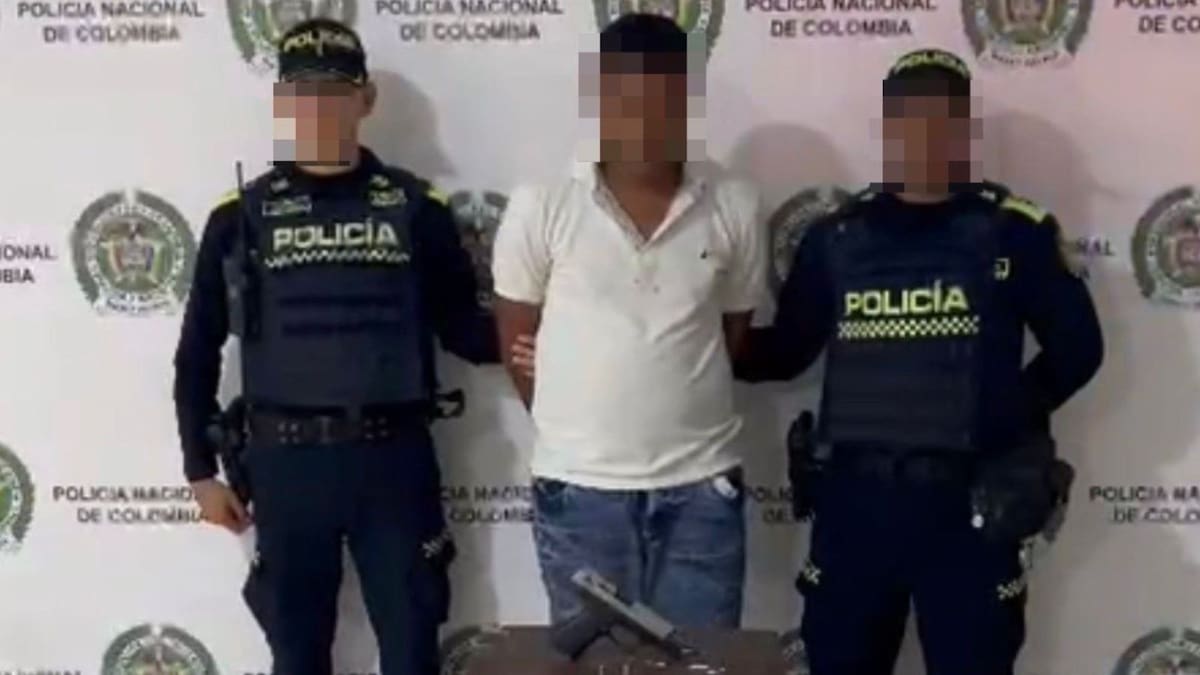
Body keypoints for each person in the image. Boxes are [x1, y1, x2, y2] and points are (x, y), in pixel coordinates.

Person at [737, 48, 1104, 675]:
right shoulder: (838, 237)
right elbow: (786, 352)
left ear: (965, 131)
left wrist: (1001, 416)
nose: (926, 137)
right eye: (910, 120)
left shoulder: (1014, 232)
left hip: (970, 513)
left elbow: (1079, 350)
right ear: (888, 128)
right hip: (856, 508)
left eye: (943, 121)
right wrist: (691, 340)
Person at [172, 18, 497, 675]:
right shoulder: (240, 216)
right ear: (284, 102)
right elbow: (197, 351)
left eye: (334, 92)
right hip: (286, 469)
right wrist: (199, 471)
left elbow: (466, 329)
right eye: (303, 94)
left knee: (412, 655)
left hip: (394, 464)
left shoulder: (417, 207)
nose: (318, 108)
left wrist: (563, 325)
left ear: (365, 100)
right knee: (296, 658)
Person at [492, 14, 767, 630]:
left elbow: (731, 334)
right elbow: (518, 342)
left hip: (702, 490)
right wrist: (583, 425)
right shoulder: (542, 203)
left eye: (665, 99)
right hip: (578, 491)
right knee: (594, 663)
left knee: (701, 660)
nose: (645, 118)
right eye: (627, 98)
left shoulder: (735, 203)